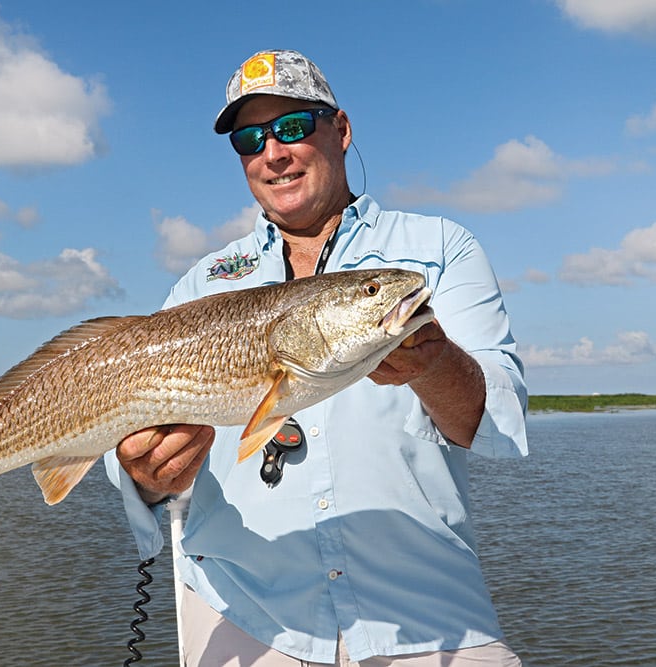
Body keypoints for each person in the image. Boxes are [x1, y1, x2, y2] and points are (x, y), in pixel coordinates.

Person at [104, 49, 528, 666]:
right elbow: (121, 426)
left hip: (425, 614)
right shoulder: (200, 285)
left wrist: (435, 366)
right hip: (245, 612)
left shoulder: (436, 250)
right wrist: (141, 475)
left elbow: (499, 420)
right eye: (250, 140)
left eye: (293, 127)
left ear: (342, 129)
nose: (272, 152)